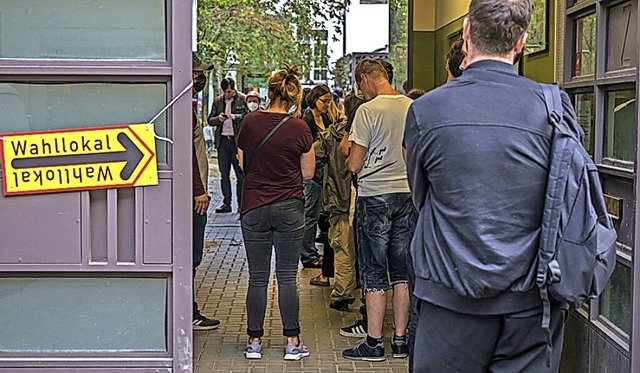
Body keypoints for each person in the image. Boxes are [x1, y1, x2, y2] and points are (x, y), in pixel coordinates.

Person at [404, 0, 570, 371]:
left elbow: (421, 197)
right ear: (521, 42)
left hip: (450, 294)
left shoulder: (426, 111)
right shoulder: (553, 107)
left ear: (466, 33)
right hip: (530, 299)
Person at [236, 65, 315, 361]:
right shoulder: (300, 128)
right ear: (293, 96)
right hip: (289, 208)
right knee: (286, 277)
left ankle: (254, 342)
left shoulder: (250, 122)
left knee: (257, 277)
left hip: (254, 206)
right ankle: (292, 342)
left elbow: (243, 164)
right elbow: (308, 171)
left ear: (269, 93)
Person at [342, 58, 414, 362]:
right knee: (401, 271)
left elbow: (355, 163)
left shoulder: (367, 111)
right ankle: (400, 340)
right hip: (407, 193)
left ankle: (373, 342)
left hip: (374, 196)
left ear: (365, 80)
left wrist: (348, 160)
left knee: (373, 270)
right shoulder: (412, 106)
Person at [191, 56, 220, 330]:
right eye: (197, 73)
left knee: (192, 256)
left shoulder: (187, 106)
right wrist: (200, 191)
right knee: (191, 255)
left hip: (193, 193)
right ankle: (188, 310)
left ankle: (188, 308)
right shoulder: (181, 111)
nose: (201, 78)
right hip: (192, 197)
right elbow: (188, 155)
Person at [300, 84, 338, 269]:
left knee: (317, 215)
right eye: (324, 101)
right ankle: (307, 254)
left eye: (329, 101)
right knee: (310, 215)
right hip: (311, 175)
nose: (327, 104)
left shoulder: (326, 118)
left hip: (324, 174)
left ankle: (313, 252)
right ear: (315, 100)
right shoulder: (306, 121)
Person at [207, 77, 248, 213]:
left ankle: (241, 203)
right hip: (223, 140)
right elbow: (210, 120)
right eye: (226, 92)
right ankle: (227, 202)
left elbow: (248, 115)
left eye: (230, 92)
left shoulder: (243, 99)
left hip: (237, 141)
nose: (228, 94)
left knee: (240, 174)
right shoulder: (218, 101)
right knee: (224, 173)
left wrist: (236, 117)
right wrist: (218, 119)